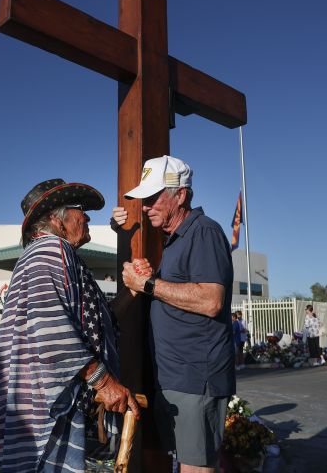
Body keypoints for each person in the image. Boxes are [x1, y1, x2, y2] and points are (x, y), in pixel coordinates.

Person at [0, 178, 139, 472]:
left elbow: (98, 323)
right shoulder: (50, 251)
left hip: (47, 407)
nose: (87, 216)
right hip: (46, 413)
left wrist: (134, 290)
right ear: (55, 218)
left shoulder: (53, 255)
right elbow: (54, 331)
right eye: (80, 209)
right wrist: (103, 382)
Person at [113, 155, 234, 473]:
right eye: (144, 199)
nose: (146, 206)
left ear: (180, 194)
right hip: (177, 379)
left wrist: (149, 284)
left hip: (197, 378)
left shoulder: (204, 232)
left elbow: (211, 300)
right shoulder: (176, 240)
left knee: (197, 468)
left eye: (153, 197)